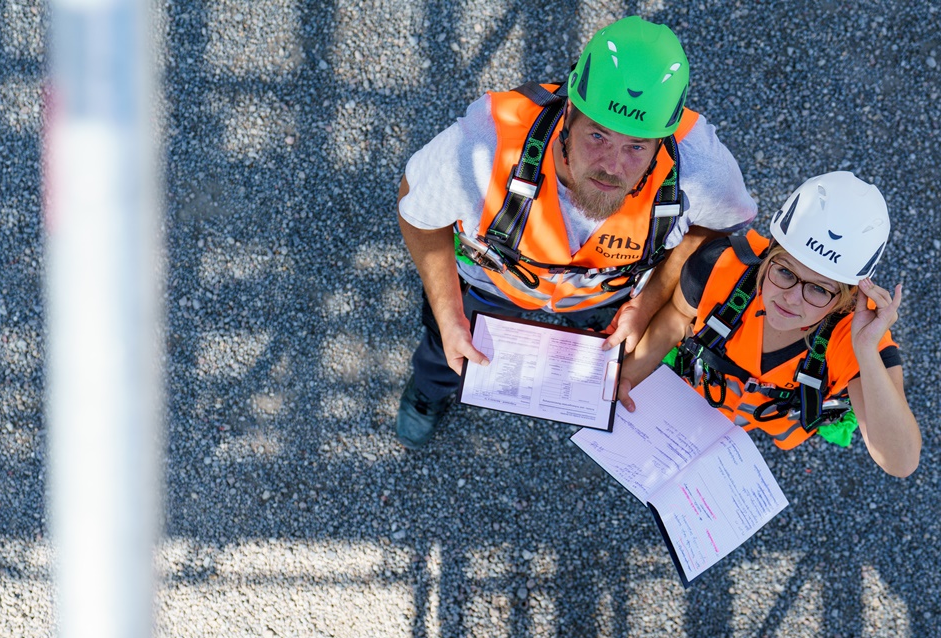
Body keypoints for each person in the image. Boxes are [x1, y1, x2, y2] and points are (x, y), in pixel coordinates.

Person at [394, 15, 757, 449]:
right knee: (443, 347)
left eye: (637, 147)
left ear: (664, 140)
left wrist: (648, 304)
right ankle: (430, 391)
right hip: (487, 284)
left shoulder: (702, 169)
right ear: (568, 112)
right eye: (598, 136)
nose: (612, 166)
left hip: (609, 296)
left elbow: (717, 232)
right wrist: (449, 314)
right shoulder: (485, 145)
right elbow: (417, 210)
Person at [617, 171, 921, 478]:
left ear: (847, 299)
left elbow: (901, 462)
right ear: (768, 254)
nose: (791, 299)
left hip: (769, 418)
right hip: (702, 398)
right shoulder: (718, 267)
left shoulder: (856, 337)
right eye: (785, 272)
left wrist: (867, 352)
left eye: (819, 289)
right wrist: (631, 373)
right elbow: (678, 317)